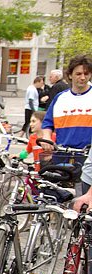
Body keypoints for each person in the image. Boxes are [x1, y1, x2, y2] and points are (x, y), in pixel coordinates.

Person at [41, 55, 92, 192]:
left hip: (87, 158)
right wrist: (47, 138)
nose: (83, 77)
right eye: (78, 74)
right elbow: (48, 123)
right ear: (70, 75)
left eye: (86, 74)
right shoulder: (61, 98)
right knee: (57, 195)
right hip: (62, 156)